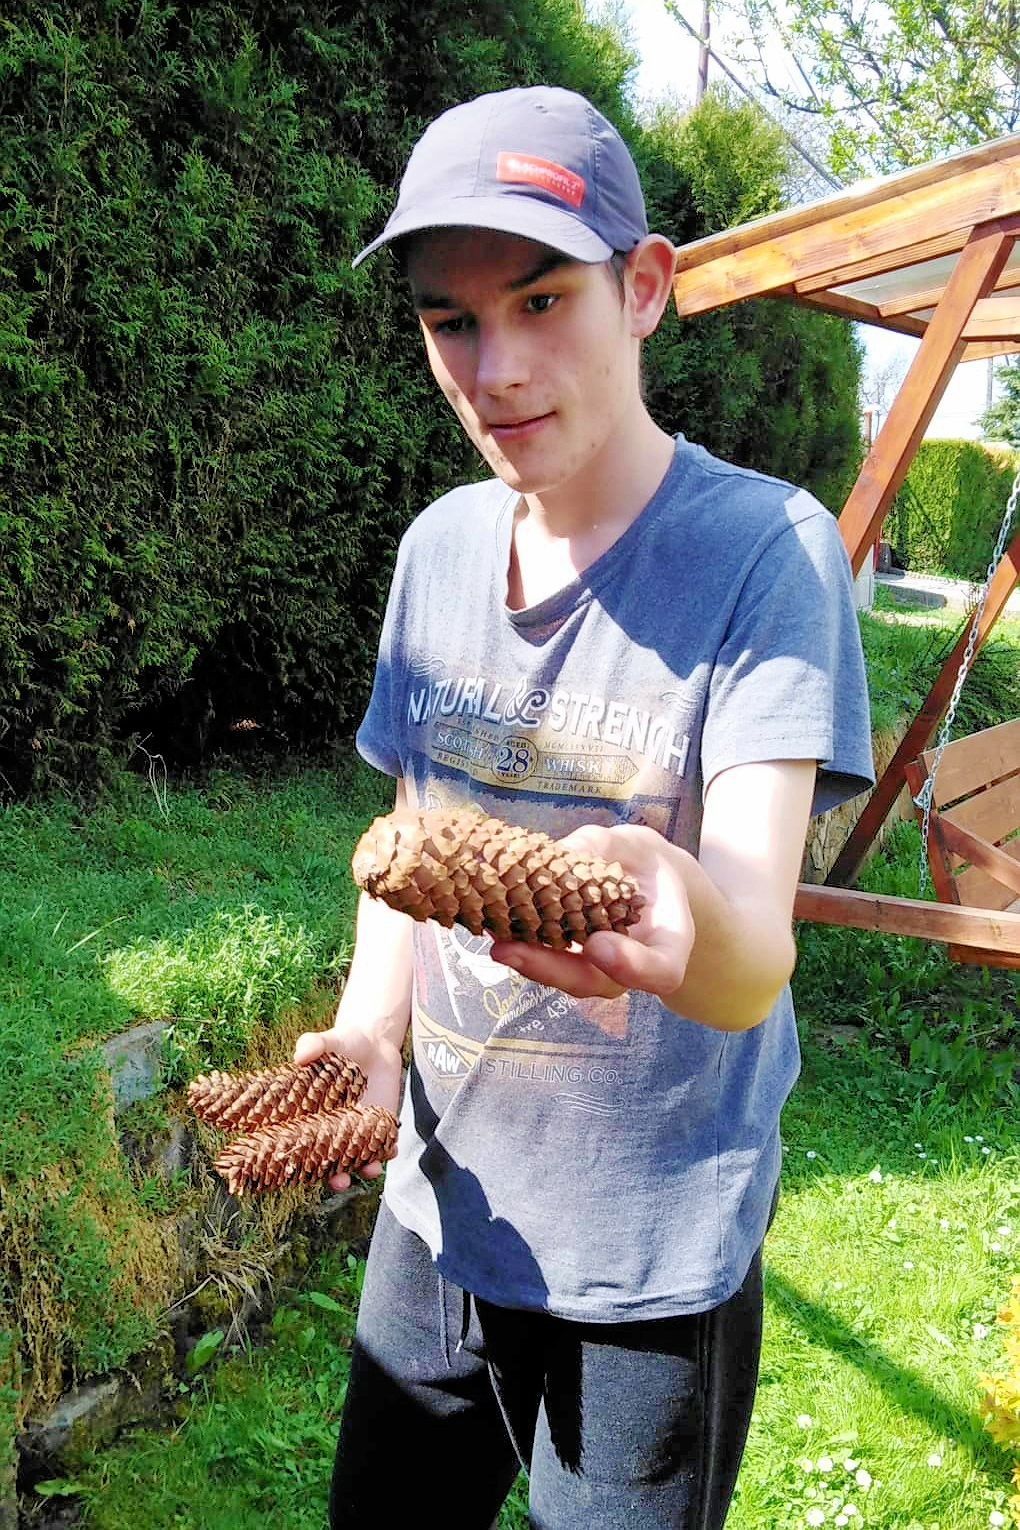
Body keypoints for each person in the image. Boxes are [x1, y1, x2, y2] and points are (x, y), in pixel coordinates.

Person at [295, 85, 874, 1530]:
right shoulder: (438, 550)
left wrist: (679, 921)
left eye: (543, 299)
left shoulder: (765, 554)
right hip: (440, 1212)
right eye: (451, 321)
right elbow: (411, 844)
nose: (495, 368)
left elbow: (751, 958)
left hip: (648, 1264)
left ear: (647, 288)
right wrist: (370, 1032)